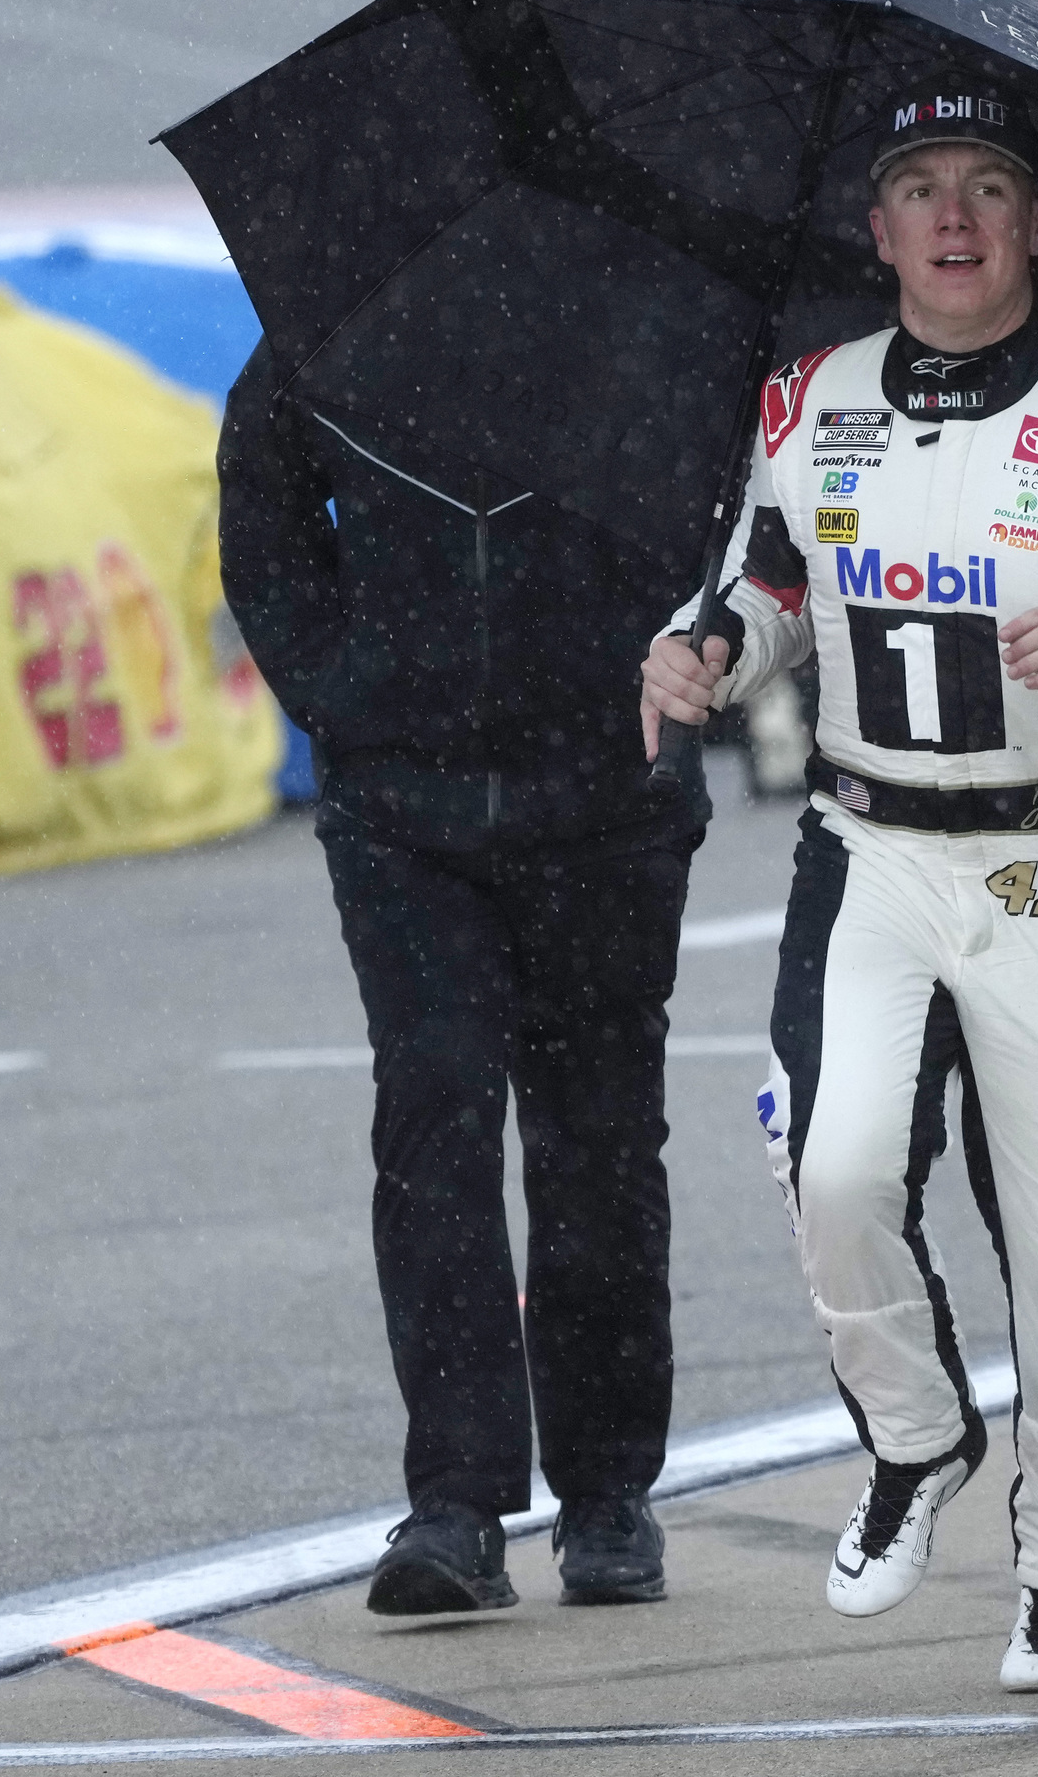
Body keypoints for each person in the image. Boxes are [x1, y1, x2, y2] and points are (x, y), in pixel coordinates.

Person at [638, 86, 1038, 1693]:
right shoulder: (802, 403)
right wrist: (704, 650)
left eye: (988, 186)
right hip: (870, 853)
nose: (954, 217)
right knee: (834, 1175)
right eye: (920, 187)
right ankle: (915, 1440)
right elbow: (768, 592)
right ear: (878, 226)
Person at [218, 290, 707, 1612]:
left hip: (609, 802)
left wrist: (674, 665)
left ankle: (608, 1494)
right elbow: (258, 516)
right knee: (433, 1116)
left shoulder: (647, 314)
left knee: (598, 1137)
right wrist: (344, 695)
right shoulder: (326, 327)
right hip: (407, 813)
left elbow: (736, 527)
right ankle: (454, 1503)